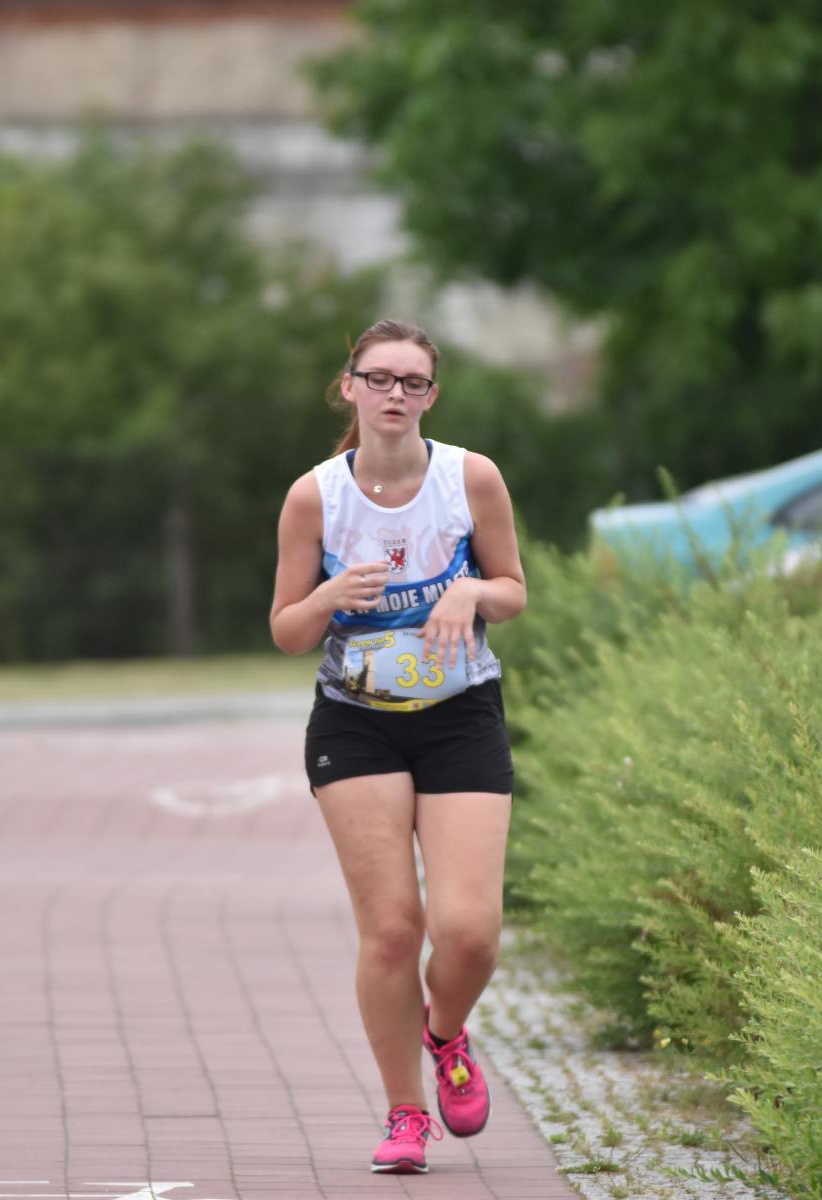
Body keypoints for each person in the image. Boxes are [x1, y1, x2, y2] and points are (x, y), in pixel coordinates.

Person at [269, 318, 527, 1175]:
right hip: (357, 721)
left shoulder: (469, 478)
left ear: (431, 396)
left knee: (469, 933)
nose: (394, 394)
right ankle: (406, 1113)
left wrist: (473, 595)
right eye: (378, 378)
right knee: (390, 930)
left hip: (460, 716)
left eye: (412, 382)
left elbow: (514, 589)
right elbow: (287, 631)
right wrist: (330, 595)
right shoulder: (314, 497)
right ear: (349, 387)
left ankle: (445, 1034)